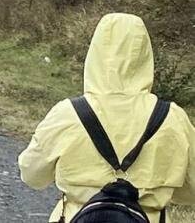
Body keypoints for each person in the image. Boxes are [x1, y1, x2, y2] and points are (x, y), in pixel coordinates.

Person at [19, 13, 195, 223]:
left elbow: (32, 175)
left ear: (95, 54)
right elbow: (192, 190)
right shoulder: (173, 117)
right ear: (146, 56)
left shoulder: (67, 113)